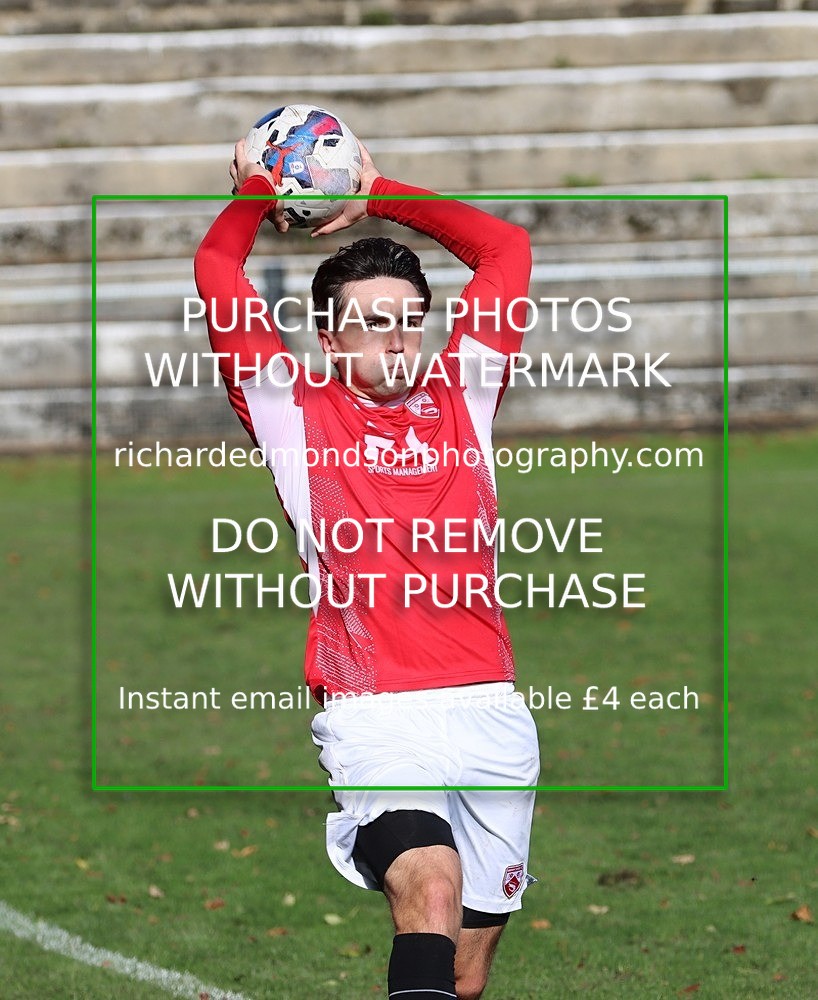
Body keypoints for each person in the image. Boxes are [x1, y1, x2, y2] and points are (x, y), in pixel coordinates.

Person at [195, 136, 539, 1000]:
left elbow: (506, 250)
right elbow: (216, 271)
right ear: (327, 336)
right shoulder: (290, 408)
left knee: (466, 970)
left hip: (492, 709)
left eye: (407, 319)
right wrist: (259, 189)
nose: (394, 337)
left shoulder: (465, 391)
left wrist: (379, 190)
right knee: (432, 893)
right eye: (370, 321)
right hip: (377, 712)